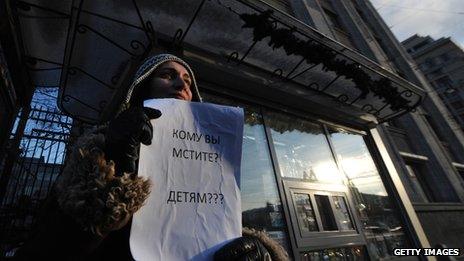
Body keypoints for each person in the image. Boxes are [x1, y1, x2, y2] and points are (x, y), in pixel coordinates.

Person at [14, 54, 289, 260]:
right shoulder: (98, 147)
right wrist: (111, 172)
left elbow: (219, 228)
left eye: (188, 81)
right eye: (168, 74)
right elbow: (48, 250)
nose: (181, 83)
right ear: (143, 88)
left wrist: (259, 252)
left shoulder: (210, 162)